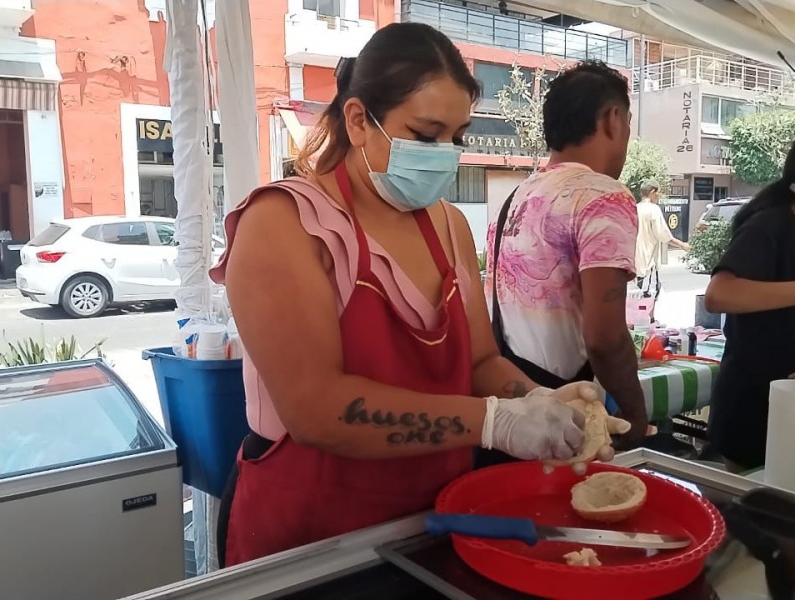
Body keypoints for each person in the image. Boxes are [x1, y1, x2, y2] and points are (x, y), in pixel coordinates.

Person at [209, 24, 627, 566]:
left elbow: (479, 360)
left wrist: (535, 398)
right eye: (426, 136)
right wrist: (494, 422)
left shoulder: (449, 224)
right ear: (359, 120)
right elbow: (315, 409)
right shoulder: (284, 223)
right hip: (311, 539)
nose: (445, 155)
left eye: (456, 138)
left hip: (435, 519)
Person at [481, 60, 649, 468]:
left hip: (505, 411)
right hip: (561, 423)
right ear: (612, 119)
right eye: (627, 123)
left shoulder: (516, 198)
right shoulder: (602, 196)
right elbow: (605, 339)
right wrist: (637, 419)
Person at [705, 140, 795, 473]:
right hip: (752, 403)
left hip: (785, 400)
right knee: (755, 513)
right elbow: (719, 294)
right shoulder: (769, 226)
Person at [634, 179, 690, 316]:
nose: (659, 196)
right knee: (651, 292)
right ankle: (649, 321)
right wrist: (682, 245)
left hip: (634, 259)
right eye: (658, 192)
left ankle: (641, 321)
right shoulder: (653, 210)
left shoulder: (635, 208)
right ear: (652, 192)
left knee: (638, 294)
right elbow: (664, 235)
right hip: (648, 260)